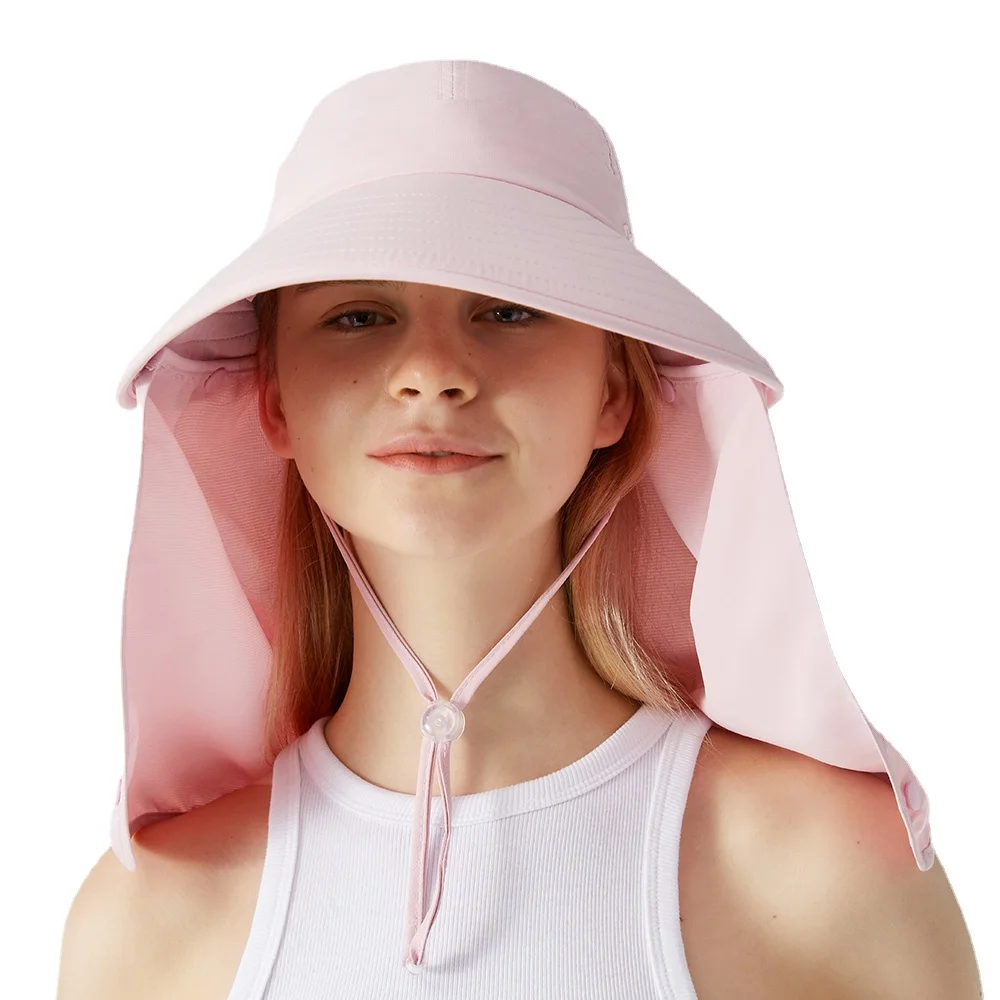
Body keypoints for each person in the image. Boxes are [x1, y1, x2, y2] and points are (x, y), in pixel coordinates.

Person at [57, 59, 982, 998]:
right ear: (275, 400)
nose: (431, 373)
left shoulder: (829, 874)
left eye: (508, 308)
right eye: (359, 316)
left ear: (615, 390)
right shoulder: (148, 924)